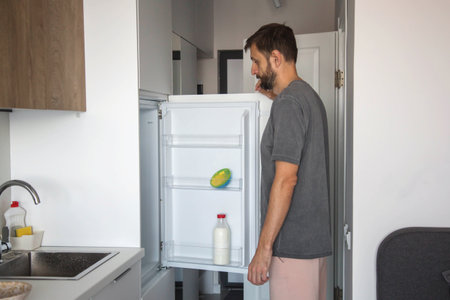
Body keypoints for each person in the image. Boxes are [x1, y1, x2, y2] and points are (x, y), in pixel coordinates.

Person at [244, 23, 332, 300]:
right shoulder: (309, 98)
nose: (253, 70)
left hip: (291, 249)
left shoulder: (289, 104)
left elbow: (286, 179)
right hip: (311, 247)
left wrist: (264, 248)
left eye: (256, 61)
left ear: (276, 58)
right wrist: (276, 97)